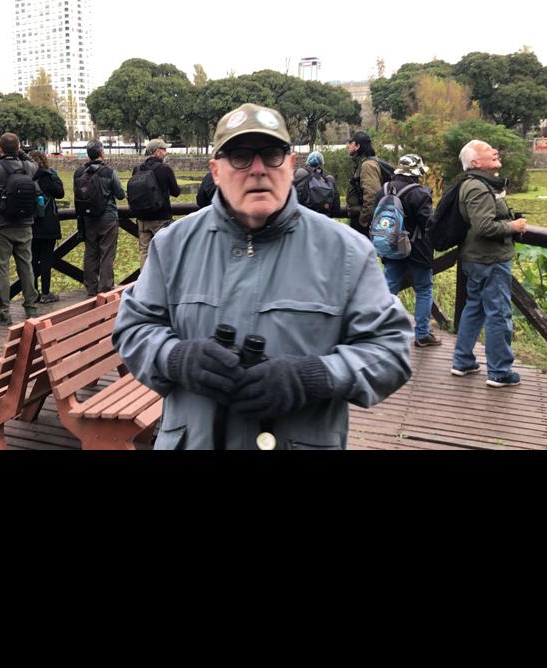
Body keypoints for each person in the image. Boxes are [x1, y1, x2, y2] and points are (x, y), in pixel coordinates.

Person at [112, 103, 412, 450]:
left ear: (290, 164)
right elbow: (134, 328)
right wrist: (175, 358)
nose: (258, 170)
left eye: (271, 155)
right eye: (240, 156)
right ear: (216, 171)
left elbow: (390, 350)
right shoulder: (173, 245)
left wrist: (312, 377)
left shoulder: (346, 252)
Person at [451, 140, 527, 388]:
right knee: (499, 313)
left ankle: (462, 361)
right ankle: (499, 371)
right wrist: (513, 226)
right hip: (489, 259)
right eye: (487, 150)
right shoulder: (478, 187)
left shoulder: (475, 183)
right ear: (475, 162)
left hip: (476, 258)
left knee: (475, 307)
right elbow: (485, 226)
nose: (495, 151)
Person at [372, 153, 440, 348]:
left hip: (391, 246)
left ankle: (378, 329)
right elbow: (428, 223)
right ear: (416, 172)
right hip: (417, 249)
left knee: (388, 288)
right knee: (424, 289)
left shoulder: (383, 190)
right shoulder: (420, 193)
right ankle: (422, 334)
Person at [0, 132, 39, 326]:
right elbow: (34, 162)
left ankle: (2, 312)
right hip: (25, 224)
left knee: (1, 270)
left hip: (0, 224)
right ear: (18, 147)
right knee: (26, 267)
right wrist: (20, 153)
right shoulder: (28, 167)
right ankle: (31, 308)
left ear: (0, 148)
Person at [72, 139, 125, 296]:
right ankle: (106, 289)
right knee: (107, 253)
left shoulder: (79, 173)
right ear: (101, 153)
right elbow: (120, 194)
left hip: (87, 218)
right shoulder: (109, 172)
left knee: (90, 252)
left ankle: (91, 288)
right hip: (108, 217)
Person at [130, 138, 181, 267]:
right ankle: (162, 280)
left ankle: (144, 279)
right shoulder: (165, 169)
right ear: (157, 152)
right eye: (164, 150)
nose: (166, 152)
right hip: (161, 218)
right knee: (163, 251)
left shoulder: (137, 169)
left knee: (144, 252)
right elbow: (176, 192)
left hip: (142, 219)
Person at [28, 150, 65, 303]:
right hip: (48, 224)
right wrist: (53, 175)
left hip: (31, 224)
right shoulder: (48, 177)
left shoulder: (26, 178)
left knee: (32, 261)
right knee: (46, 261)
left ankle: (33, 293)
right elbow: (60, 193)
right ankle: (46, 293)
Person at [346, 130, 384, 237]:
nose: (348, 146)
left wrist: (364, 219)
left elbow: (372, 194)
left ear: (357, 146)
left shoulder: (368, 165)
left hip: (363, 223)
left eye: (351, 143)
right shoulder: (364, 163)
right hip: (361, 219)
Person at [292, 150, 340, 217]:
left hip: (303, 218)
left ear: (307, 162)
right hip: (323, 220)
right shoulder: (329, 180)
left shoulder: (300, 173)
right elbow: (336, 209)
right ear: (322, 164)